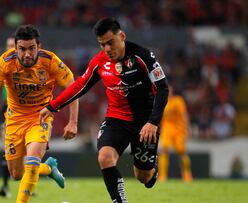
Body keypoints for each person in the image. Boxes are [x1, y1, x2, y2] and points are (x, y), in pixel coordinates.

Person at [40, 17, 169, 203]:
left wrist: (153, 122)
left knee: (144, 178)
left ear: (122, 36)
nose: (107, 49)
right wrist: (52, 106)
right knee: (105, 157)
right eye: (102, 45)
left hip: (145, 123)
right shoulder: (99, 62)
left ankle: (151, 167)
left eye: (111, 42)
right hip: (117, 119)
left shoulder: (143, 56)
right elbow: (80, 85)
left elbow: (163, 88)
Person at [0, 25, 79, 203]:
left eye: (31, 49)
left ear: (39, 47)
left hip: (40, 117)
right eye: (22, 49)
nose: (27, 54)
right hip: (14, 120)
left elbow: (73, 88)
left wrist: (73, 122)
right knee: (16, 174)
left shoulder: (50, 61)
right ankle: (48, 168)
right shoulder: (6, 61)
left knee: (32, 161)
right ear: (15, 47)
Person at [158, 85, 193, 183]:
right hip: (167, 129)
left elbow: (184, 114)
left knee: (181, 152)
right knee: (163, 150)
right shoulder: (162, 102)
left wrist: (187, 128)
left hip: (179, 130)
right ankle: (162, 176)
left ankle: (187, 174)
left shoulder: (178, 101)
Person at [0, 36, 15, 198]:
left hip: (25, 114)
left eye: (13, 46)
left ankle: (27, 184)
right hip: (7, 111)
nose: (10, 48)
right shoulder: (3, 65)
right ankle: (4, 185)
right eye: (8, 45)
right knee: (7, 150)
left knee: (26, 154)